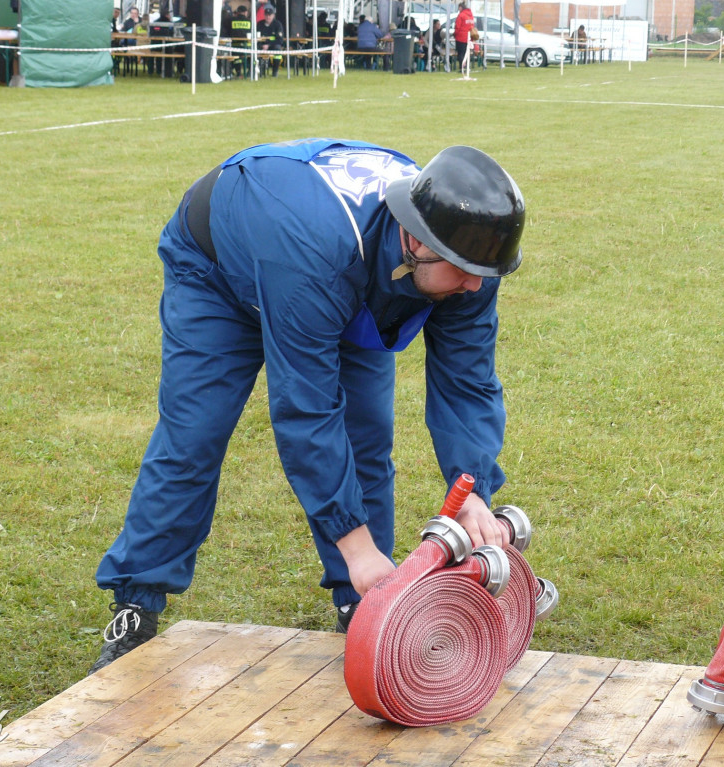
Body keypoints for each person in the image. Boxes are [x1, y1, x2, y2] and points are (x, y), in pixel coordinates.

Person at [88, 139, 526, 675]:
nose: (476, 284)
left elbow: (468, 384)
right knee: (194, 435)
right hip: (224, 271)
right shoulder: (320, 250)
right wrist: (355, 542)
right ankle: (136, 601)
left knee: (367, 436)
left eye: (484, 272)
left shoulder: (466, 257)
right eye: (463, 270)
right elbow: (306, 411)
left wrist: (472, 494)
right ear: (415, 239)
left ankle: (364, 603)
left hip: (347, 278)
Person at [256, 4, 285, 77]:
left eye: (270, 15)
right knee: (253, 49)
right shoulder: (259, 24)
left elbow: (280, 40)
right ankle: (256, 70)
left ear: (273, 15)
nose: (268, 17)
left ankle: (275, 71)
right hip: (261, 46)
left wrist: (268, 45)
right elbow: (256, 37)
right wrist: (262, 45)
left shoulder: (277, 24)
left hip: (273, 46)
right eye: (266, 15)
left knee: (278, 50)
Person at [229, 4, 252, 77]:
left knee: (237, 58)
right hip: (248, 46)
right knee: (252, 55)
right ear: (245, 12)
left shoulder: (231, 21)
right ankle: (250, 71)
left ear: (237, 12)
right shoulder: (249, 21)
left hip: (235, 46)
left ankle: (238, 71)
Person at [453, 1, 475, 71]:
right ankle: (467, 66)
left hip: (461, 37)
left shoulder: (461, 15)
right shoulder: (470, 16)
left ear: (460, 7)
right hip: (468, 38)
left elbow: (457, 27)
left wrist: (455, 34)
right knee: (467, 53)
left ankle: (462, 67)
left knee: (461, 53)